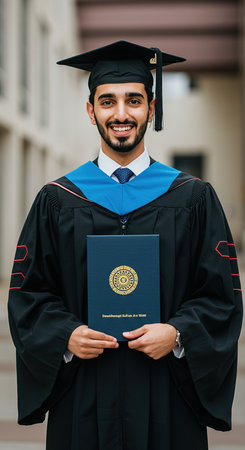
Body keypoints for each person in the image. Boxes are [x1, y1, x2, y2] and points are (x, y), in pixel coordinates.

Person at [8, 41, 243, 450]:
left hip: (167, 396)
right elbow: (29, 295)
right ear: (90, 111)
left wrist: (178, 333)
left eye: (134, 100)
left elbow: (222, 298)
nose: (121, 114)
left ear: (151, 109)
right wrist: (65, 335)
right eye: (108, 101)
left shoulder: (192, 198)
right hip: (84, 393)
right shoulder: (58, 200)